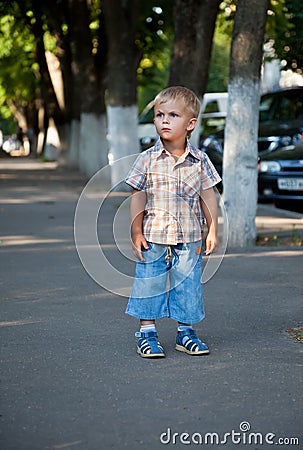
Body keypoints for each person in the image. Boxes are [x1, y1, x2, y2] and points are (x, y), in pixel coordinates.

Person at [125, 86, 221, 358]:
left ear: (191, 124)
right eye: (159, 114)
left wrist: (212, 228)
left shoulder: (199, 160)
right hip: (153, 234)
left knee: (188, 284)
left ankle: (186, 333)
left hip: (189, 236)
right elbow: (137, 195)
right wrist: (135, 230)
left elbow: (208, 196)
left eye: (173, 115)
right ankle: (147, 333)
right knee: (148, 282)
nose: (164, 120)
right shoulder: (147, 159)